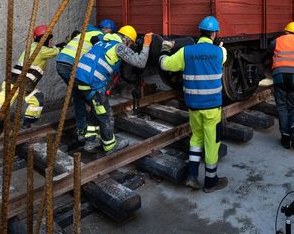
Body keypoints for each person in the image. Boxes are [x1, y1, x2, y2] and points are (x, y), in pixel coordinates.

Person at [159, 16, 228, 193]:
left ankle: (192, 176)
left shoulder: (186, 52)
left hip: (194, 107)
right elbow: (221, 58)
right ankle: (211, 182)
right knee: (212, 143)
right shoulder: (220, 52)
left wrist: (164, 50)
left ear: (200, 33)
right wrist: (217, 46)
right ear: (214, 34)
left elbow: (166, 65)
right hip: (212, 108)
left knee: (196, 138)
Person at [74, 25, 153, 153]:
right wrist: (146, 45)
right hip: (91, 84)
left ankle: (91, 140)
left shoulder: (103, 42)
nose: (129, 47)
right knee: (105, 114)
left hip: (79, 80)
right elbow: (140, 62)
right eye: (130, 44)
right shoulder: (119, 47)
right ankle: (110, 145)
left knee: (95, 110)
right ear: (126, 40)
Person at [55, 19, 116, 142]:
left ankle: (83, 129)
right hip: (71, 65)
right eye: (111, 32)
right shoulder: (99, 35)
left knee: (79, 95)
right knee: (88, 98)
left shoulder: (86, 32)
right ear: (106, 29)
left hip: (61, 63)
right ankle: (87, 129)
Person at [270, 21, 294, 150]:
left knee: (282, 106)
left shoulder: (278, 40)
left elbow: (271, 46)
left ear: (286, 31)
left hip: (279, 75)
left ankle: (285, 136)